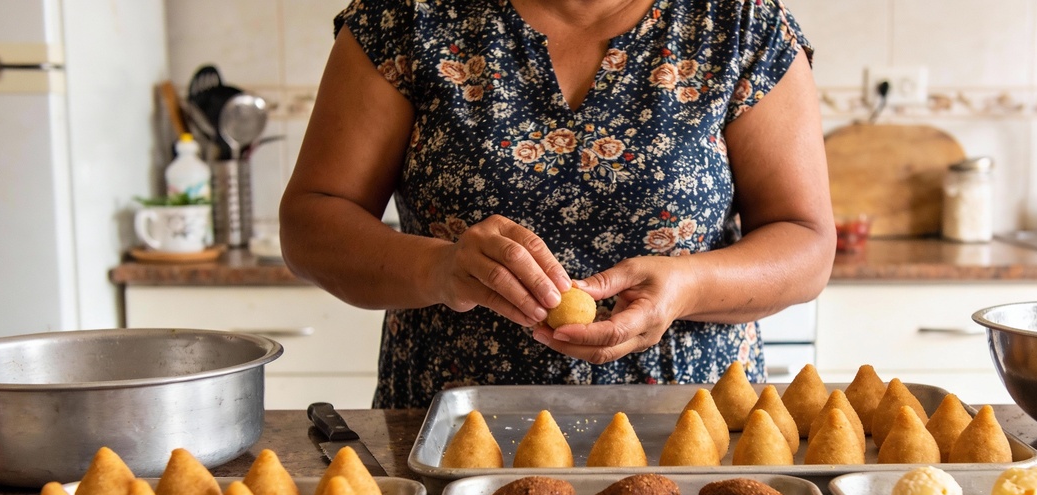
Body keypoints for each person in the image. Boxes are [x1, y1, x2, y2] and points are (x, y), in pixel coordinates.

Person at [280, 0, 836, 409]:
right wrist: (439, 268)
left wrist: (688, 286)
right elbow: (311, 222)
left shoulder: (740, 24)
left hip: (688, 421)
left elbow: (806, 241)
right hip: (453, 423)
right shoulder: (407, 17)